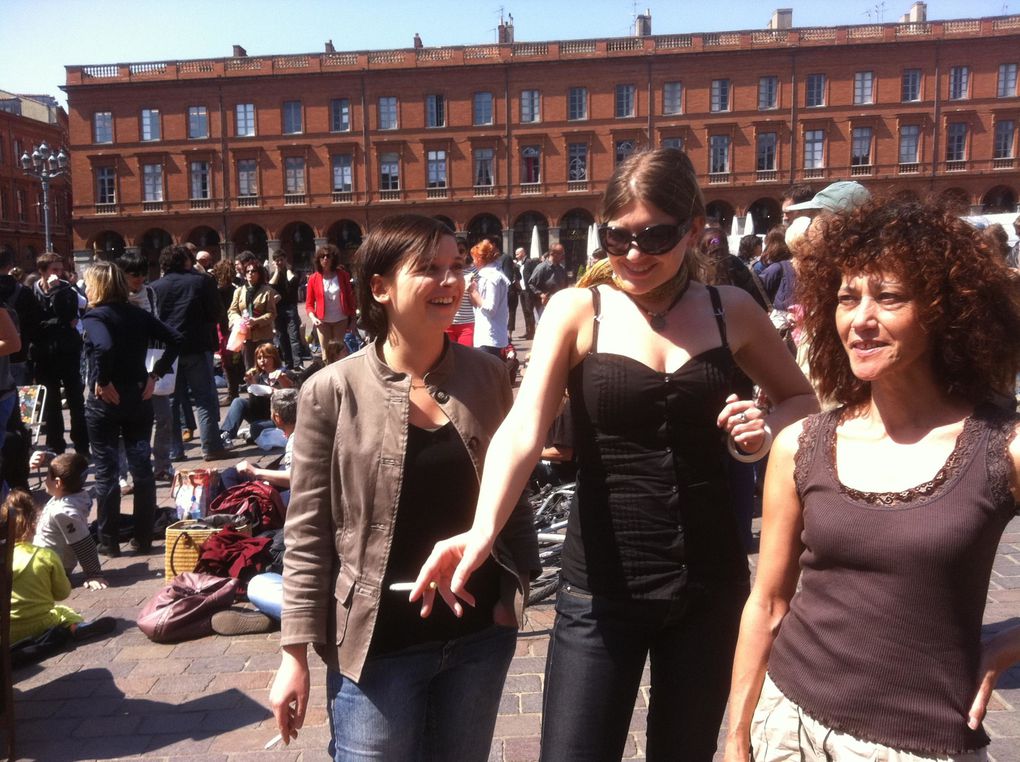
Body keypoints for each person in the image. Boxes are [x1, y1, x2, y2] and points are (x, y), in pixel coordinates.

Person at [413, 148, 817, 760]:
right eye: (616, 236)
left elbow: (800, 400)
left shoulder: (728, 309)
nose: (632, 254)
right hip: (600, 591)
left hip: (708, 584)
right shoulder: (580, 310)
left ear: (693, 227)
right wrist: (482, 530)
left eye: (655, 235)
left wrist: (761, 427)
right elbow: (525, 427)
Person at [723, 197, 1020, 761]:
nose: (860, 319)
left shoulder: (1001, 445)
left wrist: (1007, 645)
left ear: (944, 310)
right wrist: (736, 736)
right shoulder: (802, 444)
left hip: (921, 742)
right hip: (789, 728)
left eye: (888, 298)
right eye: (845, 298)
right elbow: (767, 601)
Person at [269, 214, 539, 760]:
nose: (450, 282)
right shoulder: (331, 390)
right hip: (376, 648)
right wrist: (293, 654)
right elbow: (306, 534)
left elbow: (516, 495)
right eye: (429, 270)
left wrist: (516, 595)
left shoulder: (487, 377)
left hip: (477, 640)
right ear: (380, 287)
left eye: (455, 267)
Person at [82, 262, 183, 556]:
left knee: (107, 471)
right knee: (142, 468)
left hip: (106, 402)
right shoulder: (137, 313)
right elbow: (176, 339)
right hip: (138, 396)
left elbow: (103, 346)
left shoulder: (95, 316)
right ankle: (141, 536)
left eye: (88, 284)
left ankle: (108, 540)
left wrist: (102, 379)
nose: (86, 289)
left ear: (99, 286)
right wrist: (155, 375)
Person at [7, 489, 116, 668]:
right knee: (63, 611)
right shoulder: (46, 555)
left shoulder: (4, 557)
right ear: (35, 524)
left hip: (7, 631)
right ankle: (76, 627)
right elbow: (62, 593)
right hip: (41, 623)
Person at [151, 244, 227, 461]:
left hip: (168, 351)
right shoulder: (201, 282)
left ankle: (175, 450)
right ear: (185, 261)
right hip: (196, 346)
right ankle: (211, 446)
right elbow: (216, 312)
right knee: (205, 398)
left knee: (172, 401)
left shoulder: (155, 287)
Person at [31, 252, 89, 456]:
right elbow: (34, 324)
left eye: (60, 269)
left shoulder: (66, 289)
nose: (58, 273)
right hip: (45, 354)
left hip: (68, 351)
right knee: (51, 403)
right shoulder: (33, 291)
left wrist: (56, 290)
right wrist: (57, 324)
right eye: (54, 270)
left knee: (75, 400)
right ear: (42, 271)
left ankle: (82, 445)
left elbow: (69, 315)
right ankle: (56, 446)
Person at [219, 342, 293, 447]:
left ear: (274, 358)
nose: (262, 360)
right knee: (238, 401)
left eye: (266, 357)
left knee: (255, 427)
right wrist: (253, 385)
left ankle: (252, 434)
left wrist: (277, 387)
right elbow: (255, 406)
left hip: (278, 419)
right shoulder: (258, 376)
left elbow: (291, 400)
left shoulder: (285, 374)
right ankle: (225, 435)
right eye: (259, 358)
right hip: (261, 415)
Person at [228, 260, 279, 370]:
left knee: (266, 366)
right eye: (247, 271)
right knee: (250, 367)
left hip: (263, 335)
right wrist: (238, 320)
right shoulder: (239, 291)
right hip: (245, 335)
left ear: (259, 273)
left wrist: (256, 321)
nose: (250, 273)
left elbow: (272, 313)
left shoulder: (267, 291)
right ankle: (251, 386)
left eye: (253, 271)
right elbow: (232, 311)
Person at [304, 243, 355, 353]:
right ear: (319, 260)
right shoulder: (313, 278)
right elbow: (309, 304)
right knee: (326, 352)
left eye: (328, 256)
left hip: (341, 319)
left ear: (333, 258)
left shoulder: (343, 275)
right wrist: (314, 318)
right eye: (322, 256)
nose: (325, 258)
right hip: (322, 321)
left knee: (338, 351)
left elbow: (350, 299)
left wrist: (353, 320)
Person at [469, 239, 511, 357]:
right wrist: (472, 291)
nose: (473, 262)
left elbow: (490, 309)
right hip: (491, 336)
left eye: (474, 258)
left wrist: (474, 292)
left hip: (489, 337)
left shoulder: (490, 277)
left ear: (480, 259)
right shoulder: (495, 274)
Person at [269, 251, 305, 370]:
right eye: (277, 260)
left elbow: (293, 282)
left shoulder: (292, 272)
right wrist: (277, 271)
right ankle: (288, 363)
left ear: (285, 259)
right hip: (278, 309)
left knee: (294, 336)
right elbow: (271, 285)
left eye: (281, 260)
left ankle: (297, 363)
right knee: (282, 337)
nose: (279, 262)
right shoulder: (273, 274)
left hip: (290, 308)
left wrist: (288, 269)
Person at [445, 238, 477, 347]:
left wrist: (472, 290)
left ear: (466, 252)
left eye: (461, 251)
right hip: (447, 322)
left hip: (467, 323)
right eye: (455, 250)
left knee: (465, 358)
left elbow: (476, 301)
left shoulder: (474, 271)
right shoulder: (444, 270)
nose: (458, 254)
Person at [528, 242, 568, 319]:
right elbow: (531, 284)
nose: (563, 256)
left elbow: (565, 286)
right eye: (561, 254)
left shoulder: (562, 268)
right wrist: (541, 294)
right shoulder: (541, 268)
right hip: (544, 306)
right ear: (552, 254)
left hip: (559, 305)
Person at [517, 247, 538, 339]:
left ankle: (532, 332)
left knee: (529, 311)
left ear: (523, 253)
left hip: (528, 290)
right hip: (522, 290)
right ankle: (527, 331)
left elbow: (534, 275)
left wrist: (531, 287)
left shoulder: (529, 262)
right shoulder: (520, 264)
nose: (516, 256)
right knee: (525, 311)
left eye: (517, 254)